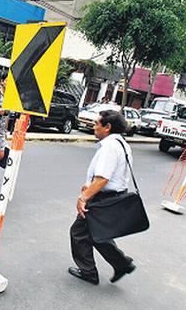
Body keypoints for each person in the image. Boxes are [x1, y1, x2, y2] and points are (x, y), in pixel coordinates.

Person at [68, 110, 137, 285]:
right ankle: (122, 264)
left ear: (107, 127)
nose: (94, 127)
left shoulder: (110, 147)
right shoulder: (121, 143)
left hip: (102, 197)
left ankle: (89, 272)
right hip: (112, 196)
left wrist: (84, 197)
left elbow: (103, 178)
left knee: (79, 233)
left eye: (97, 124)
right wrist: (89, 186)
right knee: (97, 233)